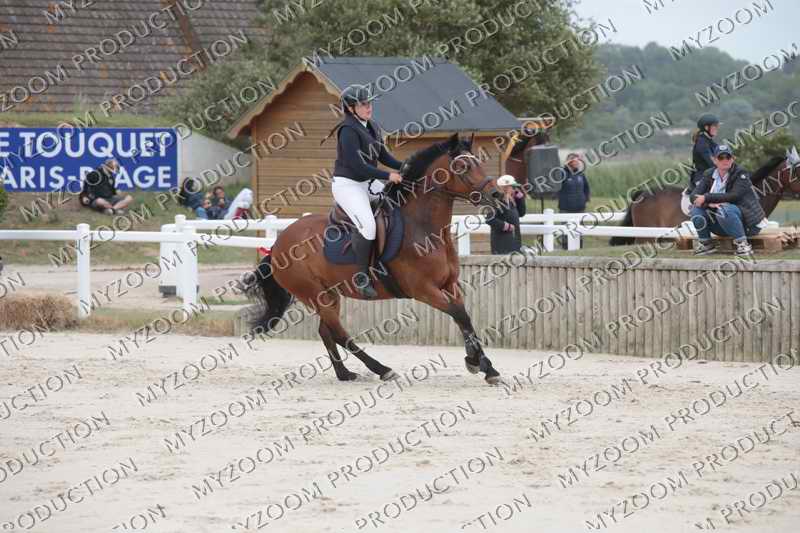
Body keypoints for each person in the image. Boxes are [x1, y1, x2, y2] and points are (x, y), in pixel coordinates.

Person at [330, 85, 404, 299]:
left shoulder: (371, 126)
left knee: (397, 205)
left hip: (367, 182)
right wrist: (388, 176)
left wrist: (406, 166)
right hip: (348, 185)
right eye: (363, 104)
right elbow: (357, 166)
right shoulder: (347, 130)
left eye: (369, 103)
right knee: (369, 227)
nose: (369, 107)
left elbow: (384, 156)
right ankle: (361, 277)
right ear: (351, 108)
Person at [689, 145, 767, 256]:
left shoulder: (741, 173)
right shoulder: (708, 174)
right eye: (721, 158)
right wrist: (709, 204)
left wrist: (706, 197)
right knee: (696, 210)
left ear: (733, 159)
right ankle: (706, 244)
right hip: (722, 224)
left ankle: (743, 245)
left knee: (724, 209)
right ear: (714, 160)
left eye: (728, 157)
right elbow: (693, 196)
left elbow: (734, 196)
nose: (725, 160)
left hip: (747, 225)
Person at [486, 175, 527, 254]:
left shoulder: (511, 201)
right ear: (505, 187)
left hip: (514, 242)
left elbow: (521, 213)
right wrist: (506, 226)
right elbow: (489, 219)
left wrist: (520, 198)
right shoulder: (497, 200)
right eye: (513, 187)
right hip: (502, 243)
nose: (515, 189)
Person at [688, 113, 720, 192]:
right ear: (706, 127)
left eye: (717, 126)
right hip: (702, 178)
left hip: (711, 177)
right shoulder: (701, 143)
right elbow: (712, 162)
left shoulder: (710, 141)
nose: (717, 128)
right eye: (715, 126)